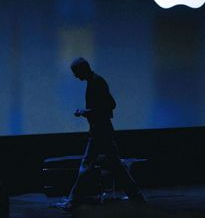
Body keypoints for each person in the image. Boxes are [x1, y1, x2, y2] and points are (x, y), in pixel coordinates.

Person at [56, 57, 146, 210]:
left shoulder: (96, 82)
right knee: (117, 165)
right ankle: (136, 195)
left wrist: (84, 112)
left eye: (76, 72)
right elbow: (110, 104)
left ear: (83, 69)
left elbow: (108, 106)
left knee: (86, 165)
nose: (75, 76)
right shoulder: (96, 81)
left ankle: (73, 200)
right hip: (102, 130)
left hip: (100, 131)